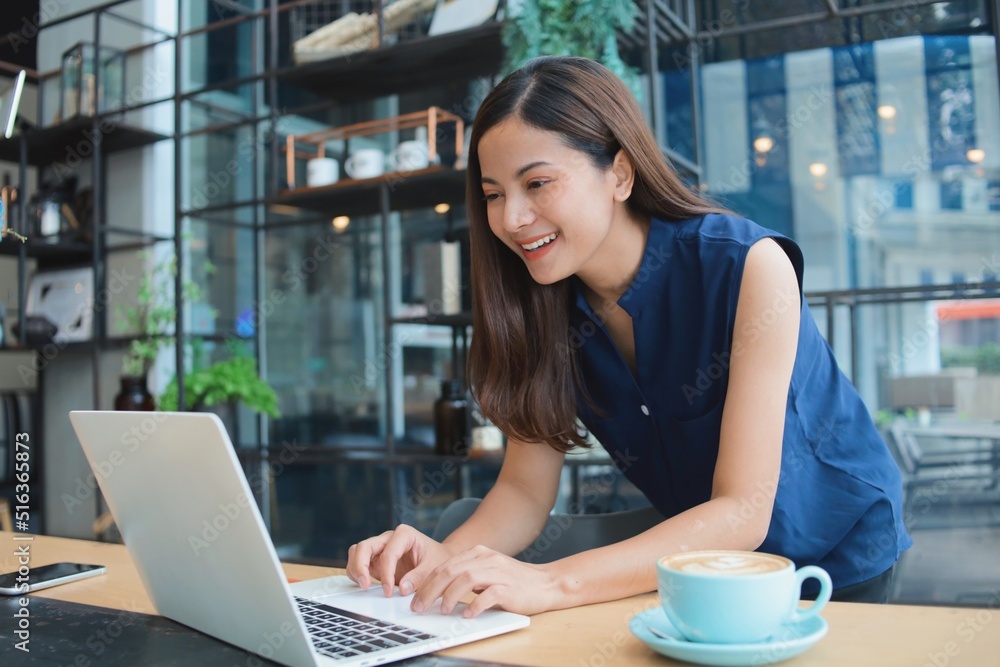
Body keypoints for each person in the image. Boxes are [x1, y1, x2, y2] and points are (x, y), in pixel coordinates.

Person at [346, 55, 911, 617]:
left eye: (537, 183)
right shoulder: (543, 303)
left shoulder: (748, 267)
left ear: (619, 173)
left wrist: (550, 584)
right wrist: (438, 562)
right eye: (493, 194)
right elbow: (523, 491)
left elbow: (742, 509)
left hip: (836, 556)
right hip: (705, 568)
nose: (511, 218)